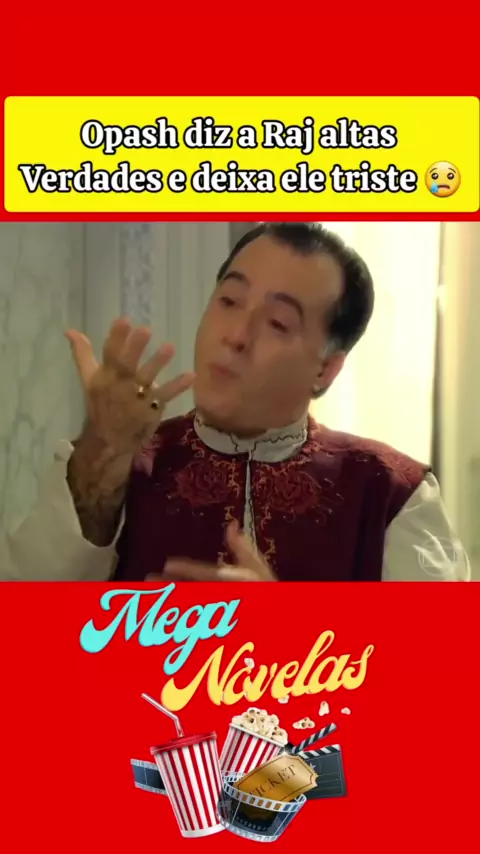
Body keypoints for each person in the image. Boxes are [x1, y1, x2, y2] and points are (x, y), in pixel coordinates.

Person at [0, 222, 470, 581]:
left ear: (325, 369)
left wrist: (286, 634)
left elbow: (439, 669)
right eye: (229, 301)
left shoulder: (391, 493)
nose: (237, 335)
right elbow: (24, 626)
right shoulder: (126, 462)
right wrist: (100, 453)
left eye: (278, 323)